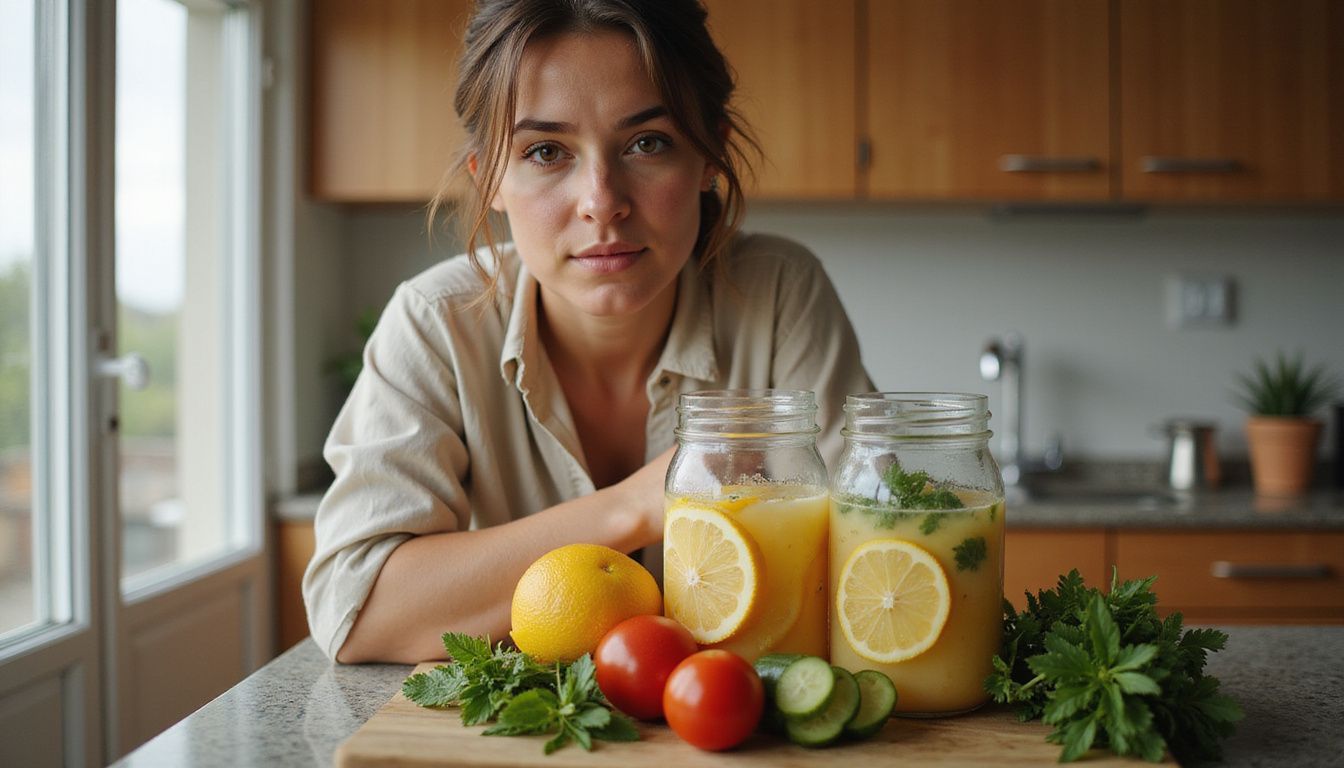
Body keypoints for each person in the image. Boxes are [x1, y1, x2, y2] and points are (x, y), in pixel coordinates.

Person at [304, 0, 873, 664]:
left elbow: (866, 560)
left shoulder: (779, 295)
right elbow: (358, 609)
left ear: (709, 155)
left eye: (647, 142)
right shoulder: (436, 324)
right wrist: (633, 507)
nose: (602, 200)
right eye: (546, 151)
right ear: (488, 178)